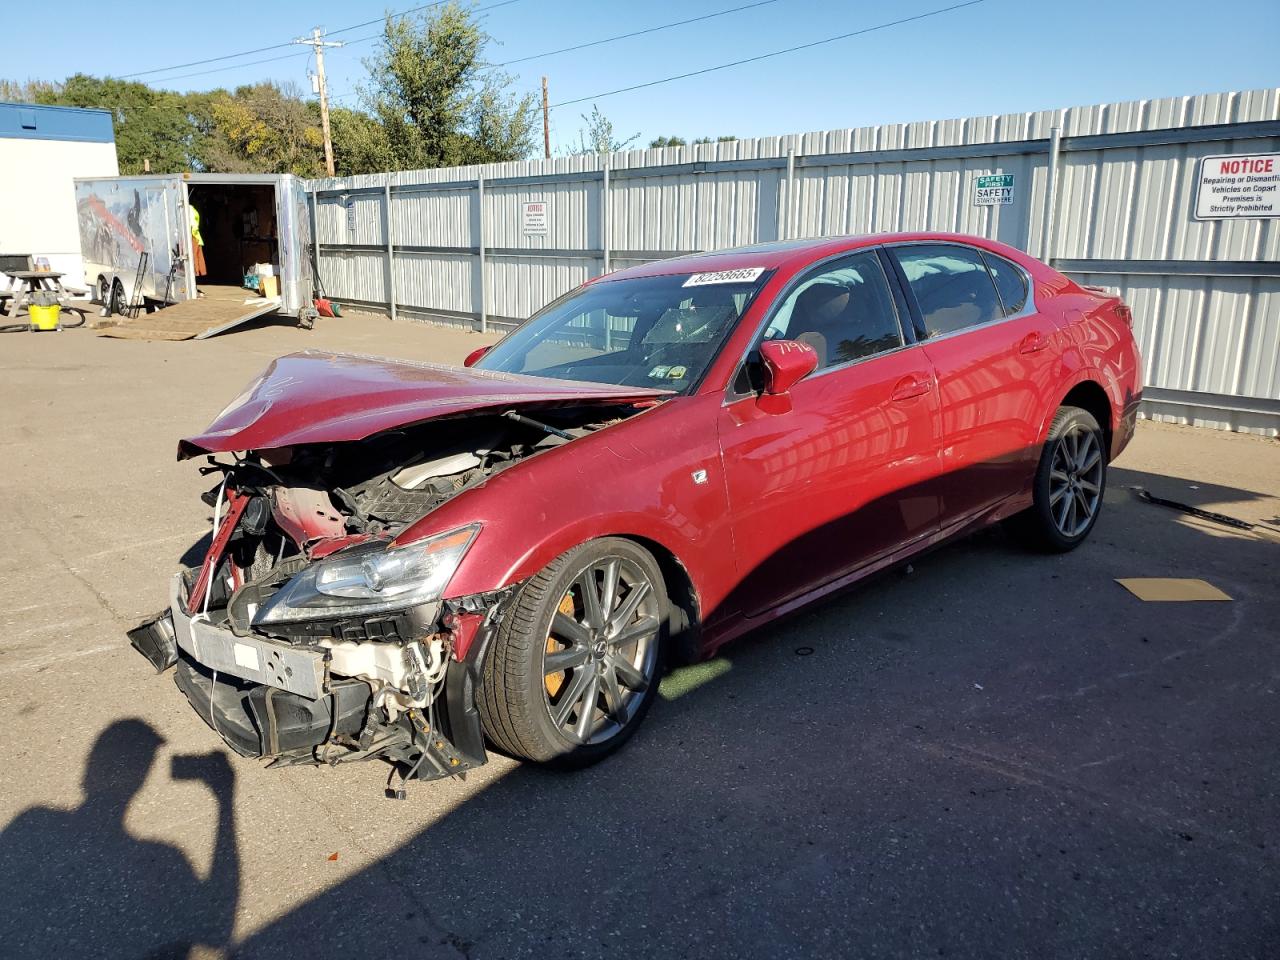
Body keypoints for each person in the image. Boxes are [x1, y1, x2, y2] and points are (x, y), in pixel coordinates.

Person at [0, 719, 240, 959]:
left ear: (88, 772)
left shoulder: (34, 820)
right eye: (144, 764)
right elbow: (217, 931)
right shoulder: (165, 858)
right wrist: (225, 799)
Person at [189, 202, 207, 295]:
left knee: (193, 260)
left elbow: (193, 224)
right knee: (195, 259)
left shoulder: (189, 210)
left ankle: (193, 287)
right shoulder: (193, 210)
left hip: (193, 237)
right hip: (195, 237)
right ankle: (193, 287)